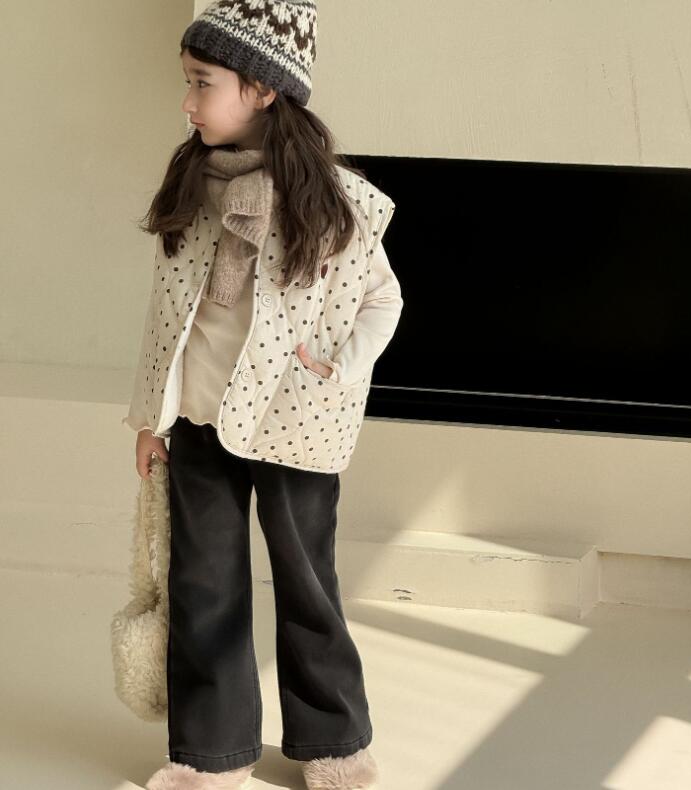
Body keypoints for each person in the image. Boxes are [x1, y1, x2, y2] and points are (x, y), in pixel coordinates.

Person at [122, 2, 402, 788]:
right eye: (188, 82)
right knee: (202, 584)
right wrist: (150, 420)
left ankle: (334, 743)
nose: (187, 102)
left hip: (294, 423)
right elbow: (167, 317)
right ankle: (211, 756)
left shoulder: (331, 200)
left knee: (308, 583)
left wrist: (339, 368)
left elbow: (383, 298)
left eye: (202, 83)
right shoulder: (193, 183)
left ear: (264, 89)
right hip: (200, 422)